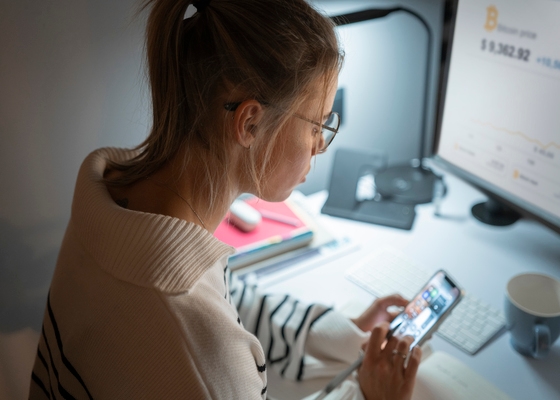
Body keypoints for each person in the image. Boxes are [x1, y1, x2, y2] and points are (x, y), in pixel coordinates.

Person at [29, 0, 421, 398]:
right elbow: (207, 332)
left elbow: (226, 299)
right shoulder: (201, 345)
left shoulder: (113, 201)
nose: (320, 145)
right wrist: (371, 396)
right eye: (317, 123)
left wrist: (344, 334)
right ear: (250, 122)